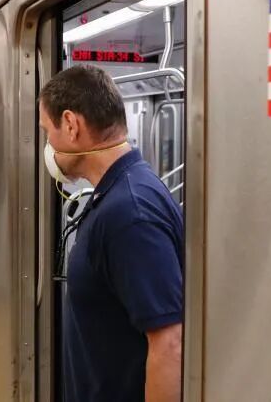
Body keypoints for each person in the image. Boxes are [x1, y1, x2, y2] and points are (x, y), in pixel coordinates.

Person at [39, 64, 183, 402]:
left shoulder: (130, 214)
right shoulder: (118, 192)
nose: (48, 144)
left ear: (71, 125)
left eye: (47, 131)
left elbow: (169, 343)